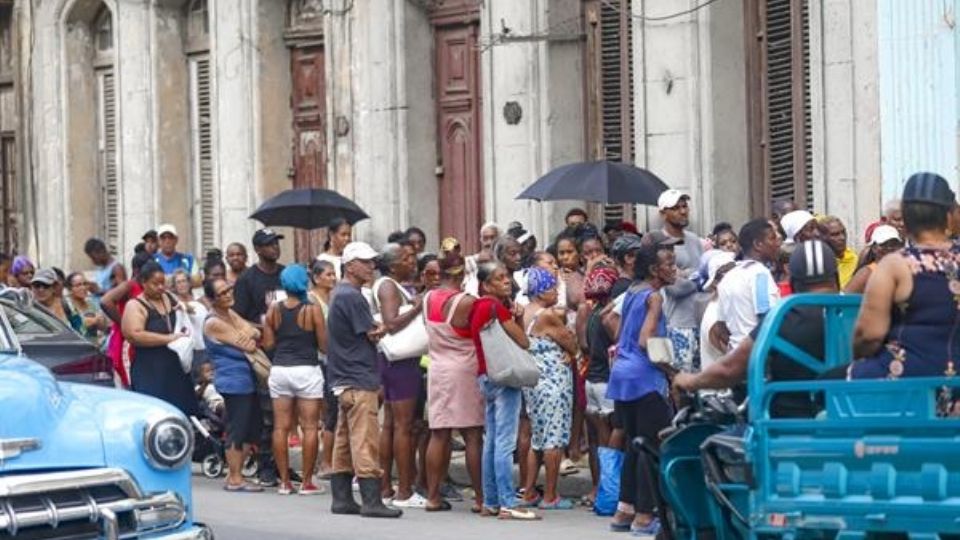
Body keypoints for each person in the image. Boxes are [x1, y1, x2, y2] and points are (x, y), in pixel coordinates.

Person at [674, 240, 840, 418]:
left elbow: (730, 370)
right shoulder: (857, 314)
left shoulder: (782, 317)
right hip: (853, 423)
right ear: (836, 278)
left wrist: (689, 381)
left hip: (786, 430)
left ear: (793, 282)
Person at [852, 172, 960, 379]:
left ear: (906, 219)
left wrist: (859, 358)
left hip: (907, 378)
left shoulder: (895, 265)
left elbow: (869, 335)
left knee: (826, 383)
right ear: (948, 216)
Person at [606, 242, 678, 535]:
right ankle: (645, 515)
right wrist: (673, 373)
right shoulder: (655, 296)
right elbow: (646, 340)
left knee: (634, 444)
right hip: (644, 377)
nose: (675, 269)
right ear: (653, 270)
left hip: (622, 375)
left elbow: (612, 321)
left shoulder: (633, 291)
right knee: (652, 447)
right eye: (669, 264)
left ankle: (625, 510)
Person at [326, 241, 399, 518]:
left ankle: (342, 498)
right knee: (365, 439)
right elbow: (370, 332)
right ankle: (371, 500)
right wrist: (383, 327)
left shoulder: (339, 293)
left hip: (343, 377)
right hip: (358, 377)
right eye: (366, 262)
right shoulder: (352, 296)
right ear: (350, 265)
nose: (371, 267)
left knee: (344, 439)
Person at [469, 261, 536, 520]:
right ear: (486, 285)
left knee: (493, 441)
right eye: (498, 278)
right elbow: (523, 340)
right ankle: (508, 501)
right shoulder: (495, 307)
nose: (506, 281)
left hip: (486, 375)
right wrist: (517, 317)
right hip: (505, 376)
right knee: (505, 442)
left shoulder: (478, 307)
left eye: (506, 276)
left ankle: (491, 501)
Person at [422, 250, 485, 512]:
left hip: (437, 369)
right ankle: (481, 498)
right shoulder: (466, 302)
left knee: (439, 434)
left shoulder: (427, 298)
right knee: (472, 434)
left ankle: (433, 496)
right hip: (463, 370)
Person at [262, 265, 327, 496]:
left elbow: (268, 344)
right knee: (309, 427)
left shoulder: (274, 309)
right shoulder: (313, 309)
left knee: (280, 427)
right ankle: (307, 482)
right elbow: (323, 345)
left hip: (280, 370)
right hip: (306, 369)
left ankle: (284, 482)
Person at [516, 267, 578, 510]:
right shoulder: (546, 315)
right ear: (542, 292)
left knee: (537, 439)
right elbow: (570, 343)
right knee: (553, 440)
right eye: (553, 287)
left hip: (535, 383)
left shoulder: (526, 312)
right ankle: (551, 495)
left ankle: (529, 490)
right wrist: (570, 350)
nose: (556, 292)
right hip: (553, 383)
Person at [373, 242, 426, 508]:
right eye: (406, 257)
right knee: (402, 426)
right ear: (393, 264)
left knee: (392, 425)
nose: (412, 260)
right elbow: (392, 323)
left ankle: (385, 487)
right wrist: (418, 306)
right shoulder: (388, 286)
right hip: (401, 362)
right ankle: (404, 490)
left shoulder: (391, 285)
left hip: (392, 361)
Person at [232, 228, 286, 487]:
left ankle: (283, 465)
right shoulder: (248, 280)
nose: (274, 248)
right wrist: (261, 327)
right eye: (269, 244)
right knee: (267, 411)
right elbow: (237, 317)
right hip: (262, 351)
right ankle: (266, 464)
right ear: (258, 250)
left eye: (276, 243)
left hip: (288, 348)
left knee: (287, 411)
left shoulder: (286, 275)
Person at [202, 277, 264, 492]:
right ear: (212, 299)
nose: (229, 294)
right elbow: (246, 342)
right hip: (232, 380)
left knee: (251, 427)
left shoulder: (228, 313)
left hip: (246, 378)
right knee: (237, 427)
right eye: (222, 293)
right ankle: (235, 478)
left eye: (229, 289)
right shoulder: (214, 322)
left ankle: (234, 472)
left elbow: (254, 333)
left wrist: (247, 333)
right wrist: (246, 333)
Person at [121, 261, 198, 416]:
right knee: (155, 412)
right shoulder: (135, 305)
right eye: (155, 284)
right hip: (150, 368)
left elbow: (189, 309)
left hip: (175, 366)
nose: (161, 287)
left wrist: (185, 308)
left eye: (163, 283)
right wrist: (169, 339)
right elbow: (134, 335)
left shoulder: (168, 296)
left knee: (182, 410)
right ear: (143, 283)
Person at [576, 265, 621, 505]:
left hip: (591, 381)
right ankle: (608, 492)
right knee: (609, 439)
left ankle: (598, 489)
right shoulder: (608, 316)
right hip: (605, 382)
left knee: (595, 439)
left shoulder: (592, 314)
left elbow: (584, 346)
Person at [712, 219, 782, 353]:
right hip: (758, 357)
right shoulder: (760, 273)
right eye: (772, 238)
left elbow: (721, 327)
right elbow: (767, 320)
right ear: (758, 244)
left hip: (736, 356)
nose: (777, 243)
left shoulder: (729, 276)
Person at [656, 190, 705, 370]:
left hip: (700, 323)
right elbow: (674, 287)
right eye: (676, 208)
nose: (683, 211)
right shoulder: (660, 243)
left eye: (684, 206)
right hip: (676, 325)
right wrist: (698, 276)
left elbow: (706, 275)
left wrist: (687, 274)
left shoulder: (694, 240)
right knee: (679, 383)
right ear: (663, 213)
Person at [101, 251, 153, 388]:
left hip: (141, 340)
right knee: (128, 383)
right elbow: (106, 301)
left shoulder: (147, 286)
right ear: (136, 270)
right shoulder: (129, 285)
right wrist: (124, 322)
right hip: (126, 341)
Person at [309, 259, 338, 478]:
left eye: (334, 274)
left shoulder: (332, 297)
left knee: (335, 412)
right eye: (328, 274)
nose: (333, 278)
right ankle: (325, 462)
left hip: (333, 359)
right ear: (316, 277)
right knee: (330, 412)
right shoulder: (313, 300)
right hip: (321, 359)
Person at [698, 251, 737, 370]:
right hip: (721, 388)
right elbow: (739, 359)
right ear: (715, 282)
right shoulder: (716, 318)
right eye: (727, 273)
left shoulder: (727, 307)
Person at [844, 225, 903, 294]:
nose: (889, 248)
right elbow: (843, 299)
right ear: (874, 248)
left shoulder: (905, 270)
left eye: (893, 244)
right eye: (883, 244)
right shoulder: (866, 273)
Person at [64, 272, 110, 346]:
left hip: (94, 346)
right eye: (78, 285)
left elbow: (103, 327)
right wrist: (93, 321)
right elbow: (75, 328)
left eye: (85, 284)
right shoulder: (67, 305)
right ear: (70, 288)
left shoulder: (91, 304)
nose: (83, 288)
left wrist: (99, 322)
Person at [819, 216, 858, 289]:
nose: (842, 238)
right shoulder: (817, 264)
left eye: (843, 232)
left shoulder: (856, 260)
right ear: (822, 238)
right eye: (835, 235)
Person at [465, 222, 501, 296]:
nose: (489, 242)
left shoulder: (505, 261)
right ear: (481, 240)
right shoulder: (470, 261)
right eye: (485, 238)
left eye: (492, 238)